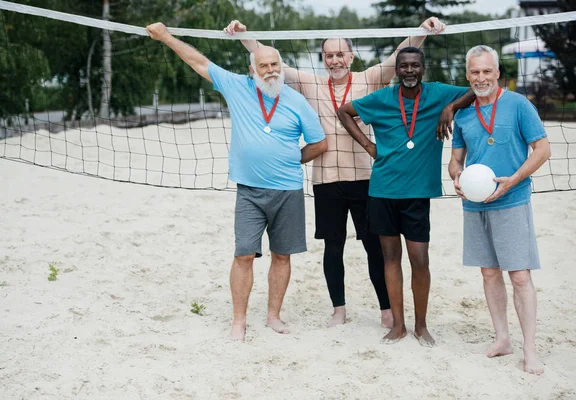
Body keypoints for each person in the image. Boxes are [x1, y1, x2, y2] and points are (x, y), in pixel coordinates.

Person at [224, 17, 448, 329]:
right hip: (326, 180)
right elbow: (272, 64)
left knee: (374, 246)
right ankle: (338, 309)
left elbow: (397, 57)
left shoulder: (369, 79)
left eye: (340, 54)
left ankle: (386, 309)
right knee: (333, 246)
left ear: (351, 56)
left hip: (364, 178)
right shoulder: (311, 83)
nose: (335, 60)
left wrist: (422, 31)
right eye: (329, 55)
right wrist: (246, 38)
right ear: (323, 59)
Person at [146, 22, 328, 341]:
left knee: (282, 255)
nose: (270, 70)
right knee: (244, 254)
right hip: (249, 191)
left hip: (288, 190)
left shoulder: (297, 101)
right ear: (251, 69)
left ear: (280, 67)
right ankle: (239, 321)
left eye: (275, 64)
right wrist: (165, 37)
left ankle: (273, 315)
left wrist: (291, 159)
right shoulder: (236, 86)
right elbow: (198, 61)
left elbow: (319, 143)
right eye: (263, 65)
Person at [337, 46, 474, 346]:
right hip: (383, 190)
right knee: (390, 258)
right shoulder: (383, 99)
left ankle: (421, 326)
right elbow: (344, 112)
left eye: (415, 66)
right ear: (397, 70)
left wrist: (450, 108)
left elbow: (474, 90)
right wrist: (369, 147)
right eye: (404, 66)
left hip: (417, 193)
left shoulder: (438, 93)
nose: (409, 70)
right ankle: (398, 326)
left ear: (423, 69)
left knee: (420, 260)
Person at [448, 45, 550, 374]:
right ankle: (503, 338)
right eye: (475, 72)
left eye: (487, 71)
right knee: (489, 273)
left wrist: (513, 180)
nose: (481, 78)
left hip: (512, 199)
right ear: (468, 75)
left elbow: (543, 149)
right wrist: (456, 177)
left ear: (497, 73)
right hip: (475, 203)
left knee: (519, 276)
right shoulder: (463, 114)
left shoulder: (519, 105)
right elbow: (456, 159)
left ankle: (530, 349)